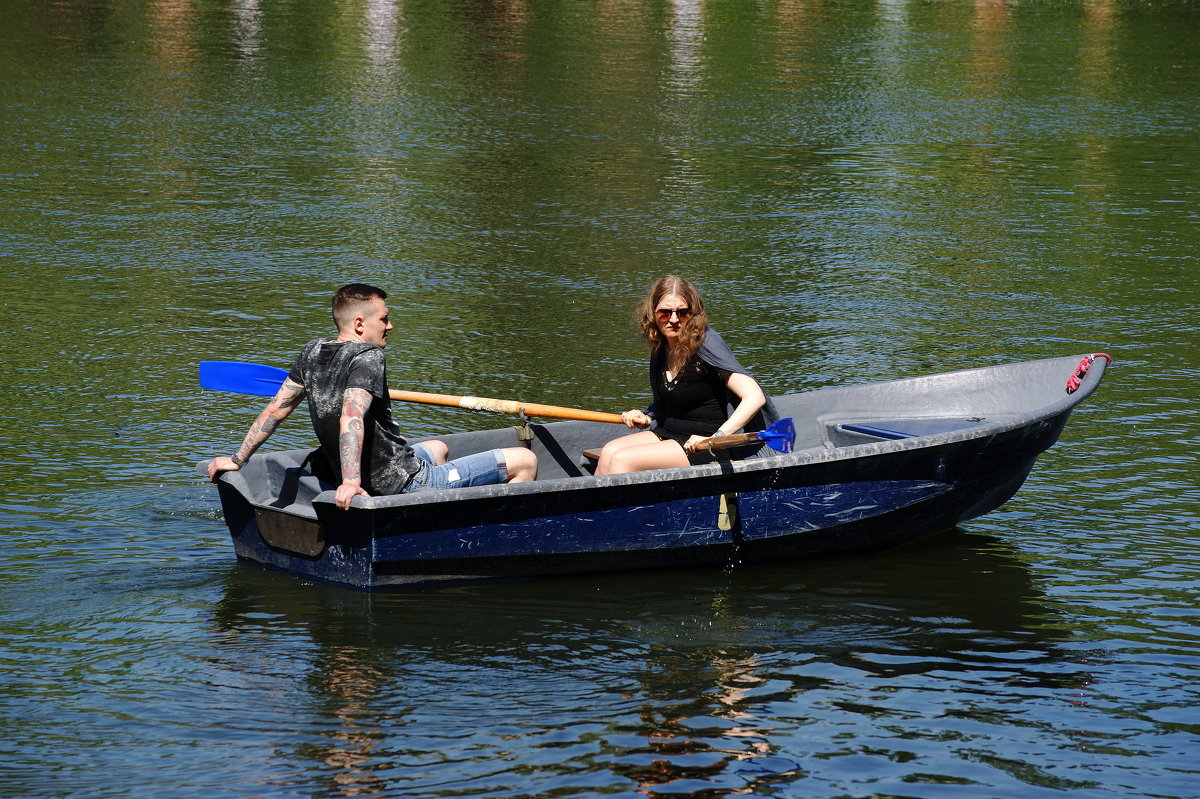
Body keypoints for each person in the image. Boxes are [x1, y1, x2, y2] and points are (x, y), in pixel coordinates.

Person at [207, 283, 537, 508]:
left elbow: (276, 410)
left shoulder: (312, 351)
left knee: (438, 448)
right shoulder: (368, 357)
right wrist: (351, 483)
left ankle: (433, 512)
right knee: (526, 460)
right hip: (399, 482)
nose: (390, 326)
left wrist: (237, 459)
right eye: (385, 318)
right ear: (361, 323)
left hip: (374, 470)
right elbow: (352, 417)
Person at [595, 276, 779, 476]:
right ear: (653, 313)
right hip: (670, 433)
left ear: (693, 314)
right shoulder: (661, 346)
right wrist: (647, 417)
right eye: (665, 312)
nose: (673, 319)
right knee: (609, 452)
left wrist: (716, 438)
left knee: (622, 460)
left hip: (705, 443)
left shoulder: (706, 343)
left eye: (682, 312)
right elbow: (667, 404)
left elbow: (754, 396)